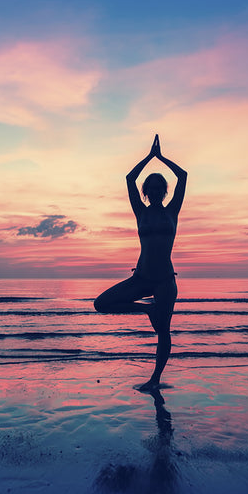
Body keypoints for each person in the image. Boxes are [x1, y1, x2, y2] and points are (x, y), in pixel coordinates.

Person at [93, 134, 187, 391]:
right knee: (101, 303)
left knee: (164, 331)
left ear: (164, 191)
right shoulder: (140, 212)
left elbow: (184, 176)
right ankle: (147, 309)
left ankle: (155, 379)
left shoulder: (172, 211)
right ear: (146, 192)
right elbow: (129, 179)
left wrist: (162, 158)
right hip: (142, 277)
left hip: (165, 280)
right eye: (151, 188)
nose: (156, 191)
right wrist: (148, 158)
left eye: (160, 187)